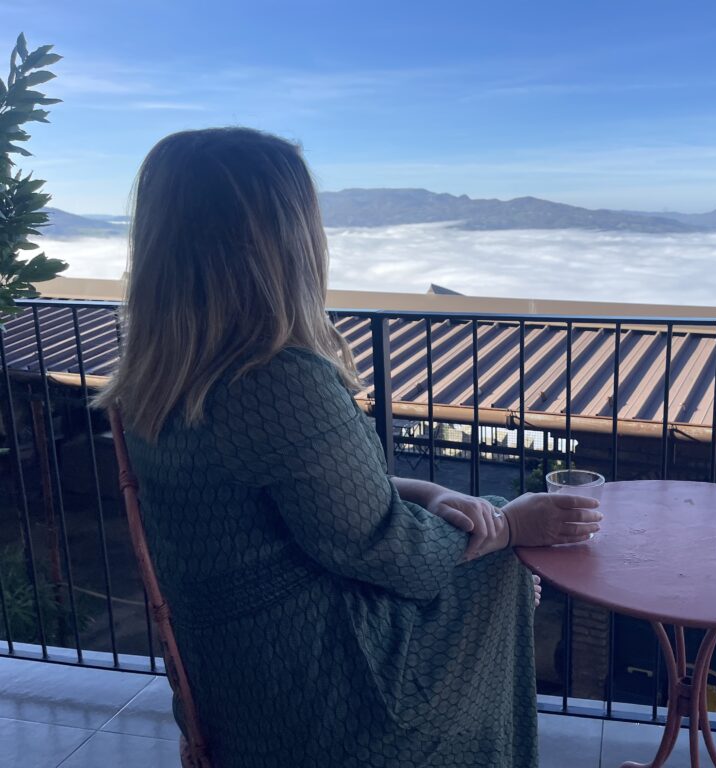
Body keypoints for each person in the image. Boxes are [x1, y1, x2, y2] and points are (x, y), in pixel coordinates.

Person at [94, 127, 601, 768]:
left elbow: (320, 504)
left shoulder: (155, 378)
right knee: (498, 569)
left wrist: (436, 491)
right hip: (321, 697)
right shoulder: (273, 378)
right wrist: (510, 524)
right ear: (281, 240)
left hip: (230, 676)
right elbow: (394, 553)